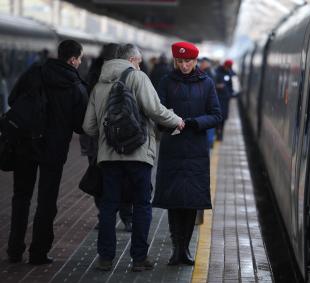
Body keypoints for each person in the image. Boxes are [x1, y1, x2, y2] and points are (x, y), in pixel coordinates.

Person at [82, 43, 184, 272]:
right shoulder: (139, 78)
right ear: (133, 60)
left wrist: (109, 133)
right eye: (138, 61)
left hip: (109, 157)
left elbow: (88, 127)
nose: (139, 65)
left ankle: (105, 258)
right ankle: (139, 259)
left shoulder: (100, 84)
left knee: (108, 206)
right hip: (138, 154)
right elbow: (155, 110)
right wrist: (176, 120)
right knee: (141, 205)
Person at [7, 40, 88, 265]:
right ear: (72, 59)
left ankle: (14, 249)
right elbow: (80, 126)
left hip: (25, 144)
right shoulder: (75, 85)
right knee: (47, 200)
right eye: (80, 59)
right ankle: (38, 252)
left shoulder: (35, 72)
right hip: (53, 150)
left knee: (21, 196)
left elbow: (13, 100)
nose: (80, 63)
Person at [152, 41, 222, 266]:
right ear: (175, 60)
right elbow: (158, 110)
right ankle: (176, 249)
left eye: (188, 61)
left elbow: (216, 115)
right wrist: (171, 123)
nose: (184, 65)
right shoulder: (166, 82)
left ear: (195, 61)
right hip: (172, 148)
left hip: (196, 149)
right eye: (180, 61)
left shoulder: (207, 83)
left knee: (191, 200)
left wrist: (194, 123)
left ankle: (185, 249)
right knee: (175, 200)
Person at [81, 43, 133, 232]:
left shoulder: (93, 76)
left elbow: (86, 108)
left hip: (97, 139)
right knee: (124, 177)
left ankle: (105, 216)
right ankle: (126, 218)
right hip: (122, 138)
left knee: (99, 178)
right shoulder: (130, 74)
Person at [215, 59, 234, 140]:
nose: (229, 68)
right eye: (228, 67)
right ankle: (217, 132)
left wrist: (230, 93)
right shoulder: (216, 72)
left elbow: (231, 85)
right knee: (217, 116)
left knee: (223, 117)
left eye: (230, 67)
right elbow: (212, 83)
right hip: (217, 98)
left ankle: (220, 133)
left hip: (225, 99)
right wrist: (217, 86)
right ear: (224, 65)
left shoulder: (230, 73)